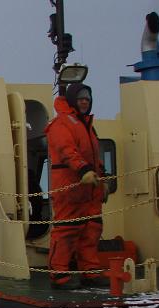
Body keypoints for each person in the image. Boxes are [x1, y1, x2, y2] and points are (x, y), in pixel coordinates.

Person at [45, 83, 108, 290]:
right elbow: (66, 150)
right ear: (72, 100)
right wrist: (83, 170)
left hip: (90, 189)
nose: (84, 101)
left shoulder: (86, 125)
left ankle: (90, 272)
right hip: (70, 186)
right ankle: (59, 275)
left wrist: (103, 179)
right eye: (81, 98)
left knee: (91, 229)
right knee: (66, 230)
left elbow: (95, 157)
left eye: (87, 99)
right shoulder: (61, 124)